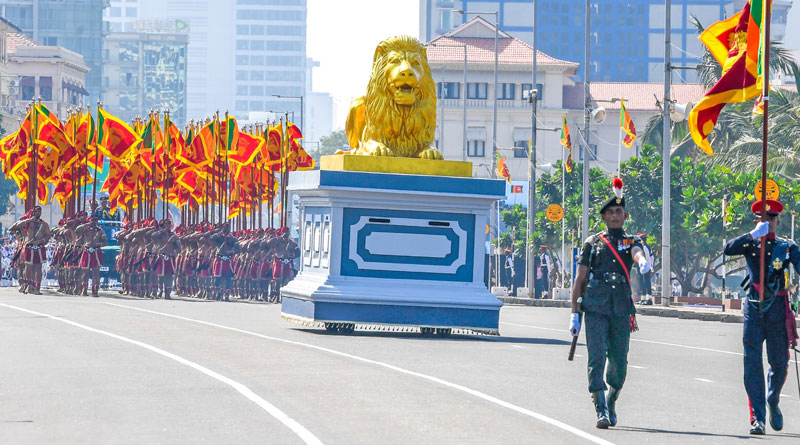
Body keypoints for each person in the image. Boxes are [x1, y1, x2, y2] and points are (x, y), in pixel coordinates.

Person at [569, 178, 649, 429]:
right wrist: (574, 313)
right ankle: (600, 407)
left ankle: (612, 397)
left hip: (621, 308)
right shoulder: (593, 243)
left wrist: (641, 261)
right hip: (595, 306)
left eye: (618, 211)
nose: (615, 216)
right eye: (610, 212)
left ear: (625, 215)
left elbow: (636, 252)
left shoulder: (631, 240)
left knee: (619, 362)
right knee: (596, 358)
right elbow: (580, 279)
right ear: (603, 217)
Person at [723, 198, 800, 435]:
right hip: (754, 309)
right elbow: (728, 249)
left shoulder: (787, 247)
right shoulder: (750, 244)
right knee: (752, 364)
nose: (768, 222)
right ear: (758, 221)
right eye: (763, 219)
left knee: (779, 363)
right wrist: (752, 235)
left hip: (777, 309)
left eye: (772, 218)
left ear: (778, 221)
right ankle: (758, 418)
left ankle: (773, 398)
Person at [76, 215, 108, 297]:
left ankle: (95, 290)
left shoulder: (100, 231)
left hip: (96, 252)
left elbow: (105, 242)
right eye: (92, 220)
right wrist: (86, 224)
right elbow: (77, 230)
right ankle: (84, 290)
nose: (94, 222)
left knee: (96, 272)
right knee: (85, 272)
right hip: (86, 252)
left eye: (95, 221)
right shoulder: (86, 229)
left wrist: (98, 244)